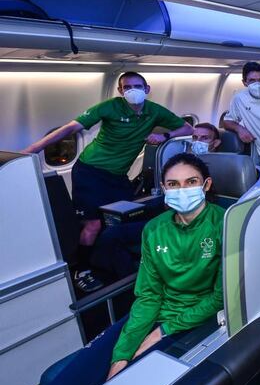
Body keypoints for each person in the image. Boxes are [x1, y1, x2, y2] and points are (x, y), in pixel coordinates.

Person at [28, 153, 224, 385]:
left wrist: (162, 331)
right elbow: (148, 295)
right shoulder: (155, 229)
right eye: (173, 184)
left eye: (191, 182)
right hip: (151, 314)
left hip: (194, 321)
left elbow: (219, 296)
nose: (182, 190)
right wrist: (122, 353)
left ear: (206, 185)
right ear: (164, 189)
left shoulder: (226, 223)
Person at [22, 72, 192, 290]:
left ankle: (112, 262)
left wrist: (164, 136)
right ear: (121, 91)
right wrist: (31, 151)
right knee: (92, 224)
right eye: (127, 87)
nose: (133, 90)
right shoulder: (109, 107)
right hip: (90, 171)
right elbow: (70, 128)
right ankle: (80, 270)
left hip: (118, 176)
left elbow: (187, 128)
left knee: (126, 217)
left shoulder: (155, 112)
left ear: (147, 89)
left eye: (138, 86)